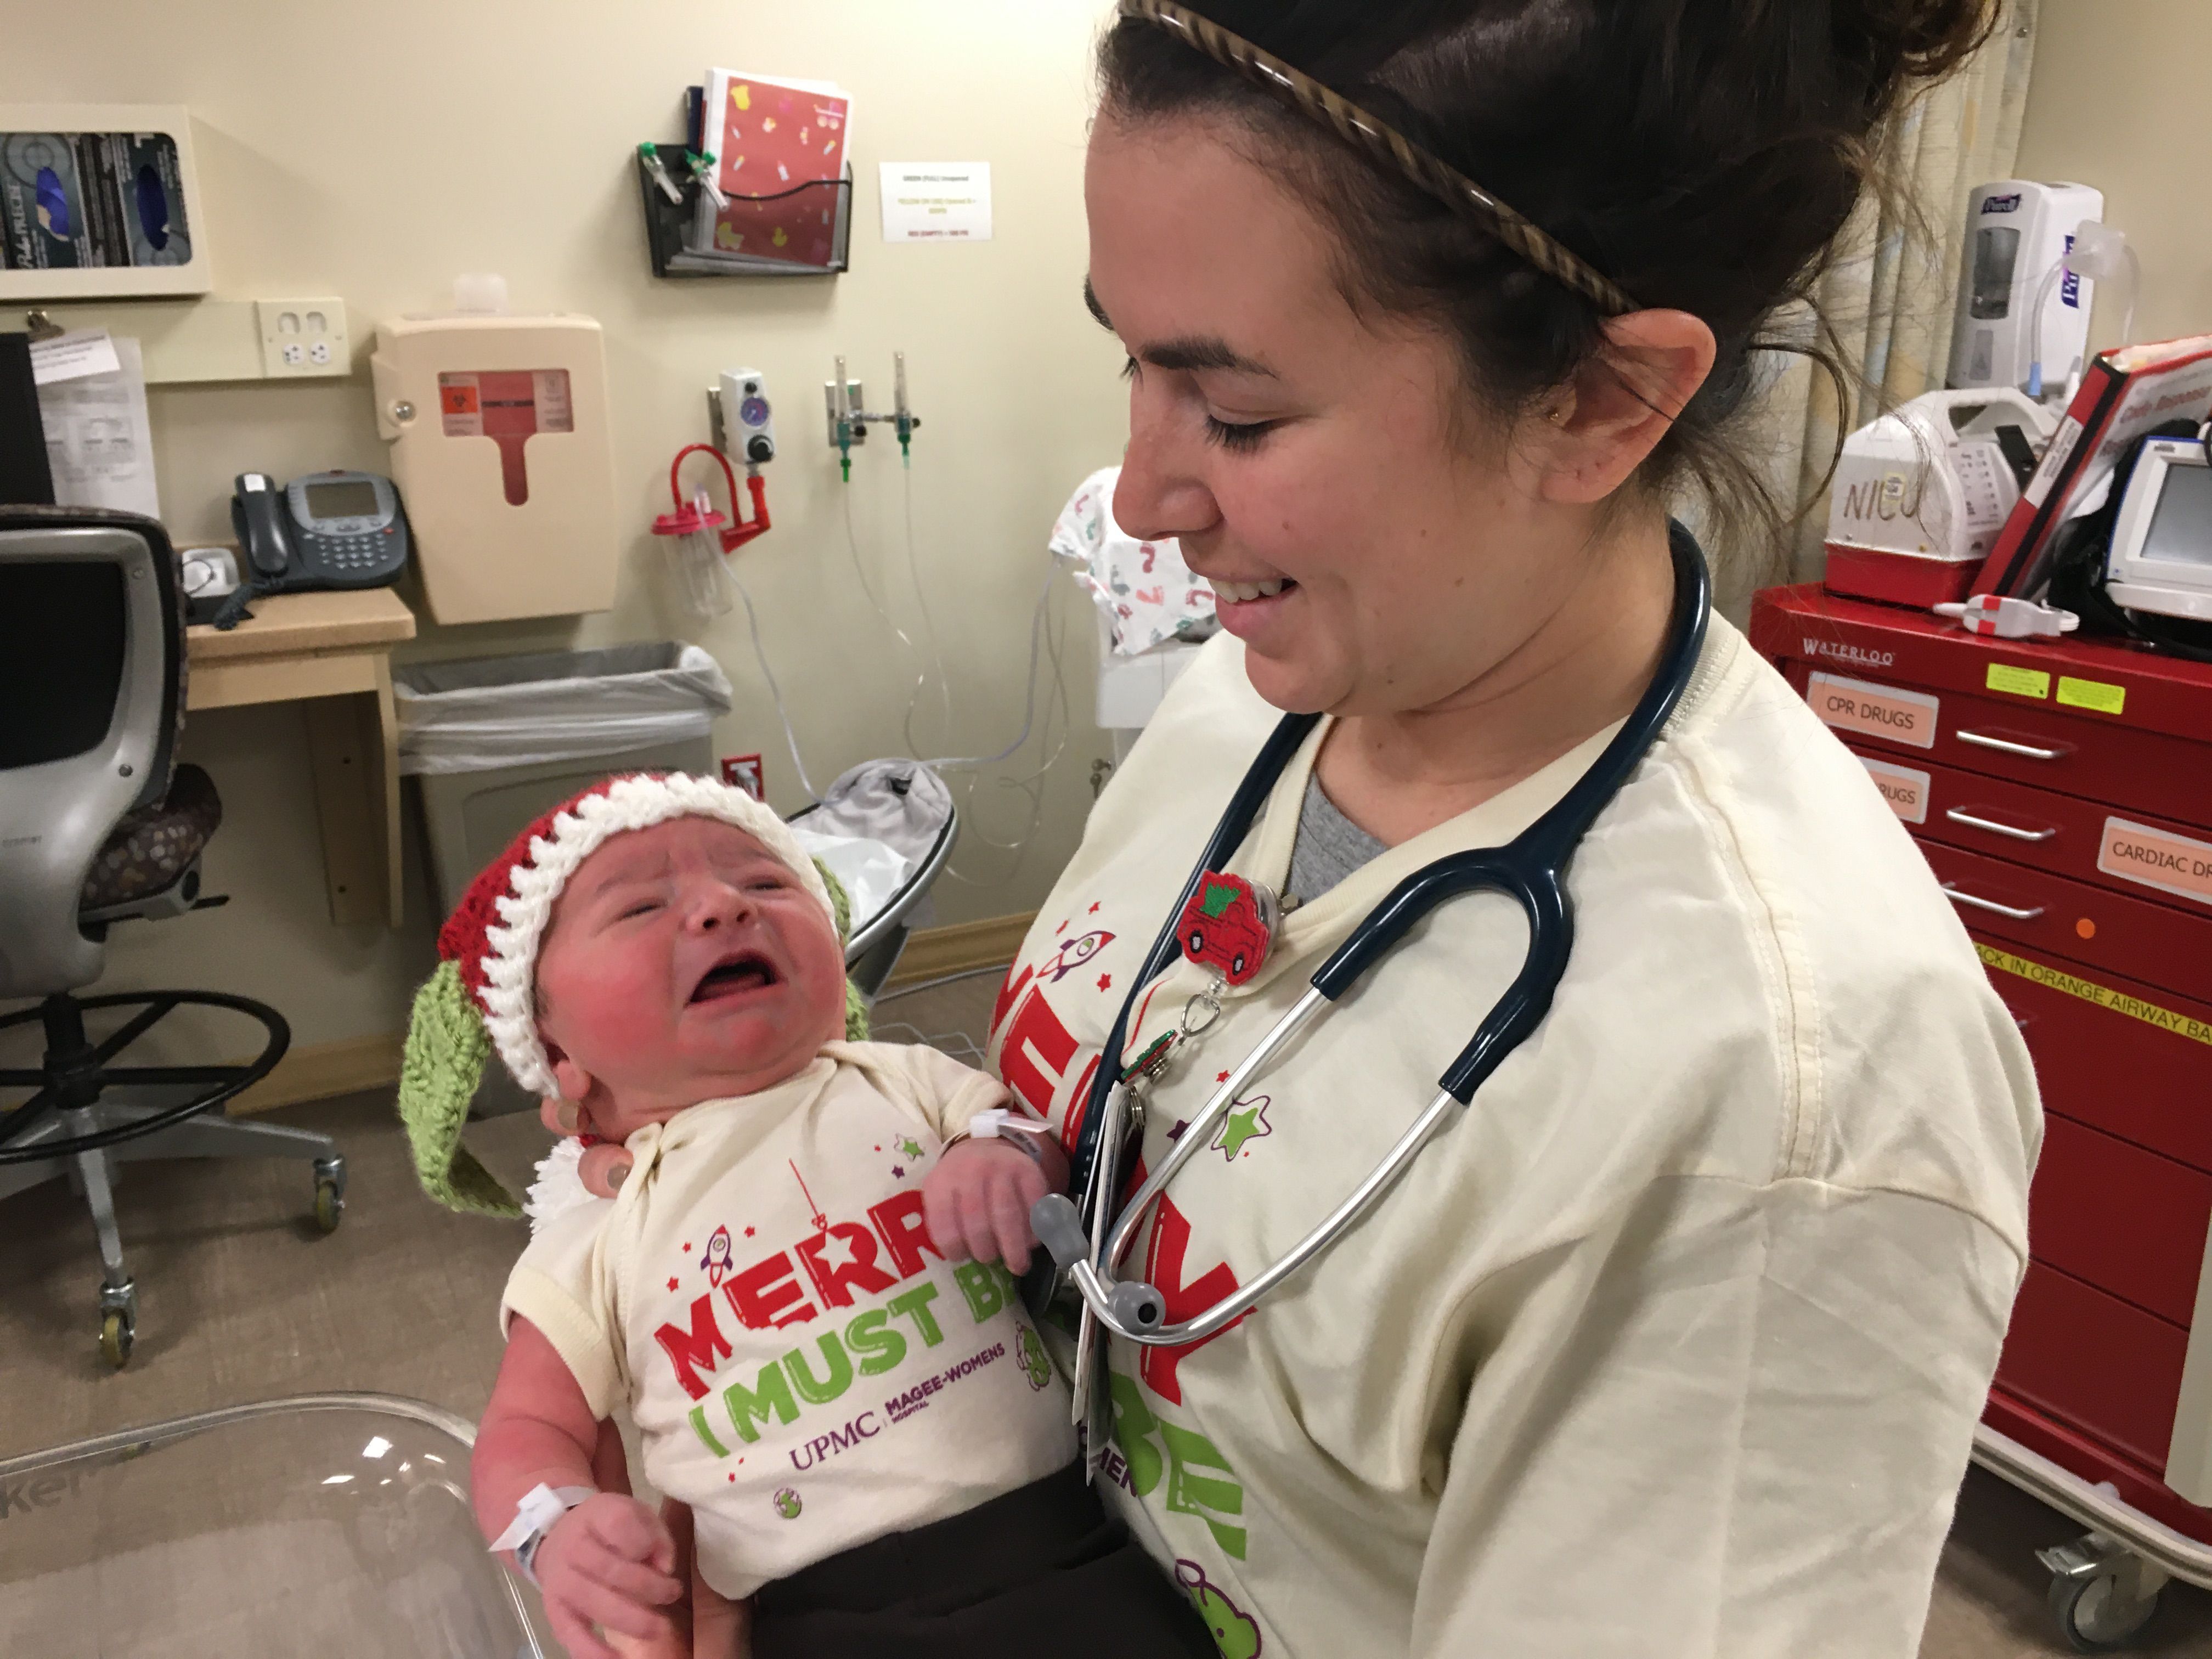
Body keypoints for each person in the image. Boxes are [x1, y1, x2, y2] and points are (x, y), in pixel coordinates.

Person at [562, 2, 2041, 1654]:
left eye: (1238, 414)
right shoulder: (1254, 697)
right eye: (1130, 359)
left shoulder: (1787, 1111)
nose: (1140, 494)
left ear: (1602, 403)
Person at [397, 773, 1216, 1659]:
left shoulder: (897, 1078)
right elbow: (527, 1428)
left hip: (1064, 1543)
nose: (722, 908)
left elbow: (1015, 1125)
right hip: (817, 1609)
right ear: (562, 1061)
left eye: (766, 884)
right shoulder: (591, 1242)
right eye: (639, 908)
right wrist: (550, 1528)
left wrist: (1004, 1156)